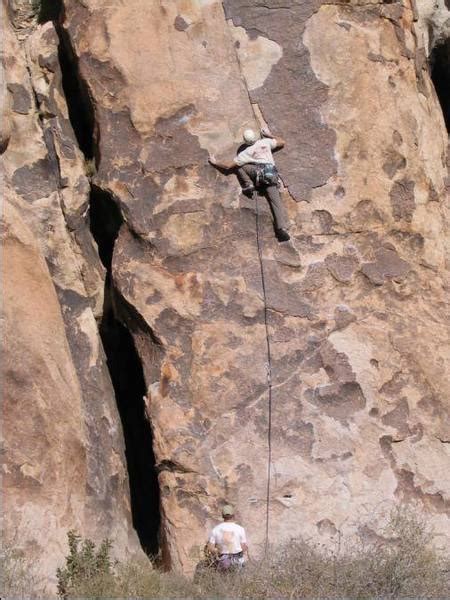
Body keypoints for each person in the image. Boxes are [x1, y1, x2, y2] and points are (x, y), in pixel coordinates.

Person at [209, 128, 290, 242]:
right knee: (276, 203)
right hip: (271, 177)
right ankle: (282, 228)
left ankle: (248, 185)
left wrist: (215, 162)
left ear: (245, 141)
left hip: (259, 175)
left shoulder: (246, 153)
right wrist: (269, 135)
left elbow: (228, 166)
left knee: (240, 165)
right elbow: (282, 142)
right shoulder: (265, 142)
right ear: (256, 137)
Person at [207, 505, 248, 572]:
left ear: (222, 516)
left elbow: (210, 548)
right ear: (233, 515)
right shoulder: (240, 529)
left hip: (223, 562)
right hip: (237, 562)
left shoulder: (215, 529)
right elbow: (243, 547)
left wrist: (218, 551)